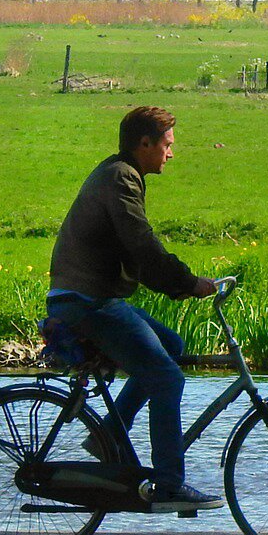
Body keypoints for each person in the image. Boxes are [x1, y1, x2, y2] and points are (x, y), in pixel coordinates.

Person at [45, 105, 221, 511]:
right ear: (145, 143)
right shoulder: (121, 178)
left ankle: (108, 435)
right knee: (168, 379)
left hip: (87, 297)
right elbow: (142, 245)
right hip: (87, 301)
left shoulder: (120, 173)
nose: (171, 154)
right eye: (167, 145)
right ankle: (169, 485)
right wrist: (188, 283)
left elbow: (137, 253)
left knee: (171, 347)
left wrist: (178, 283)